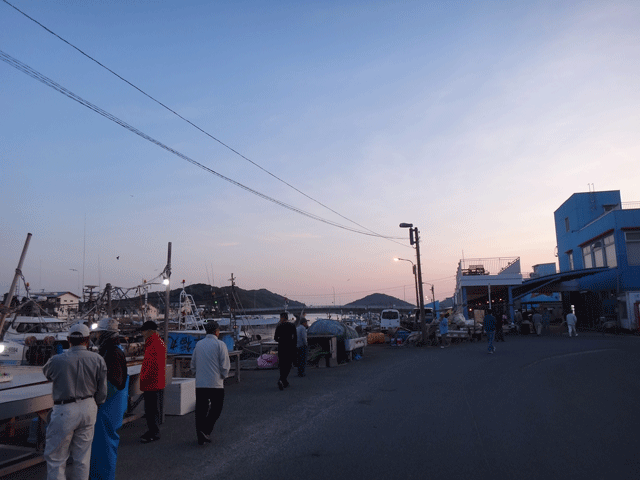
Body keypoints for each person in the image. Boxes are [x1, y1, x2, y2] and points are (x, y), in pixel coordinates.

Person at [43, 323, 107, 480]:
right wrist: (95, 403)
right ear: (87, 340)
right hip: (89, 406)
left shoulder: (56, 360)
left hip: (65, 409)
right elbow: (102, 390)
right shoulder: (98, 359)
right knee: (82, 458)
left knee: (56, 458)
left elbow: (48, 374)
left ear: (68, 340)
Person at [89, 318, 128, 480]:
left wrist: (97, 396)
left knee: (103, 446)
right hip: (113, 405)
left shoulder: (112, 353)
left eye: (98, 333)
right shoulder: (115, 349)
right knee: (103, 445)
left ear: (105, 334)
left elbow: (113, 383)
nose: (96, 336)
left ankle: (102, 477)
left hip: (107, 407)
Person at [190, 321, 230, 445]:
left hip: (201, 383)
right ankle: (206, 430)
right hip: (215, 383)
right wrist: (224, 376)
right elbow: (225, 364)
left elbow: (193, 364)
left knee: (201, 410)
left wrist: (196, 374)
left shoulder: (199, 345)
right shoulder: (220, 344)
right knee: (216, 408)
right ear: (216, 332)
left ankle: (200, 436)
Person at [139, 321, 167, 443]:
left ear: (149, 331)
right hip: (157, 381)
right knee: (154, 408)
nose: (142, 333)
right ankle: (153, 430)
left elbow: (150, 365)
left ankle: (153, 432)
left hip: (151, 382)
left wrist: (143, 378)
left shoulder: (152, 344)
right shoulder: (158, 342)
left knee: (151, 409)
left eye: (144, 330)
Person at [274, 312, 297, 390]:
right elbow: (295, 338)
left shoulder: (279, 326)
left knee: (282, 364)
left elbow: (275, 338)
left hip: (281, 347)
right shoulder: (292, 325)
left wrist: (281, 339)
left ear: (282, 318)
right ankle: (283, 380)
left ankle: (283, 380)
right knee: (288, 364)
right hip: (290, 347)